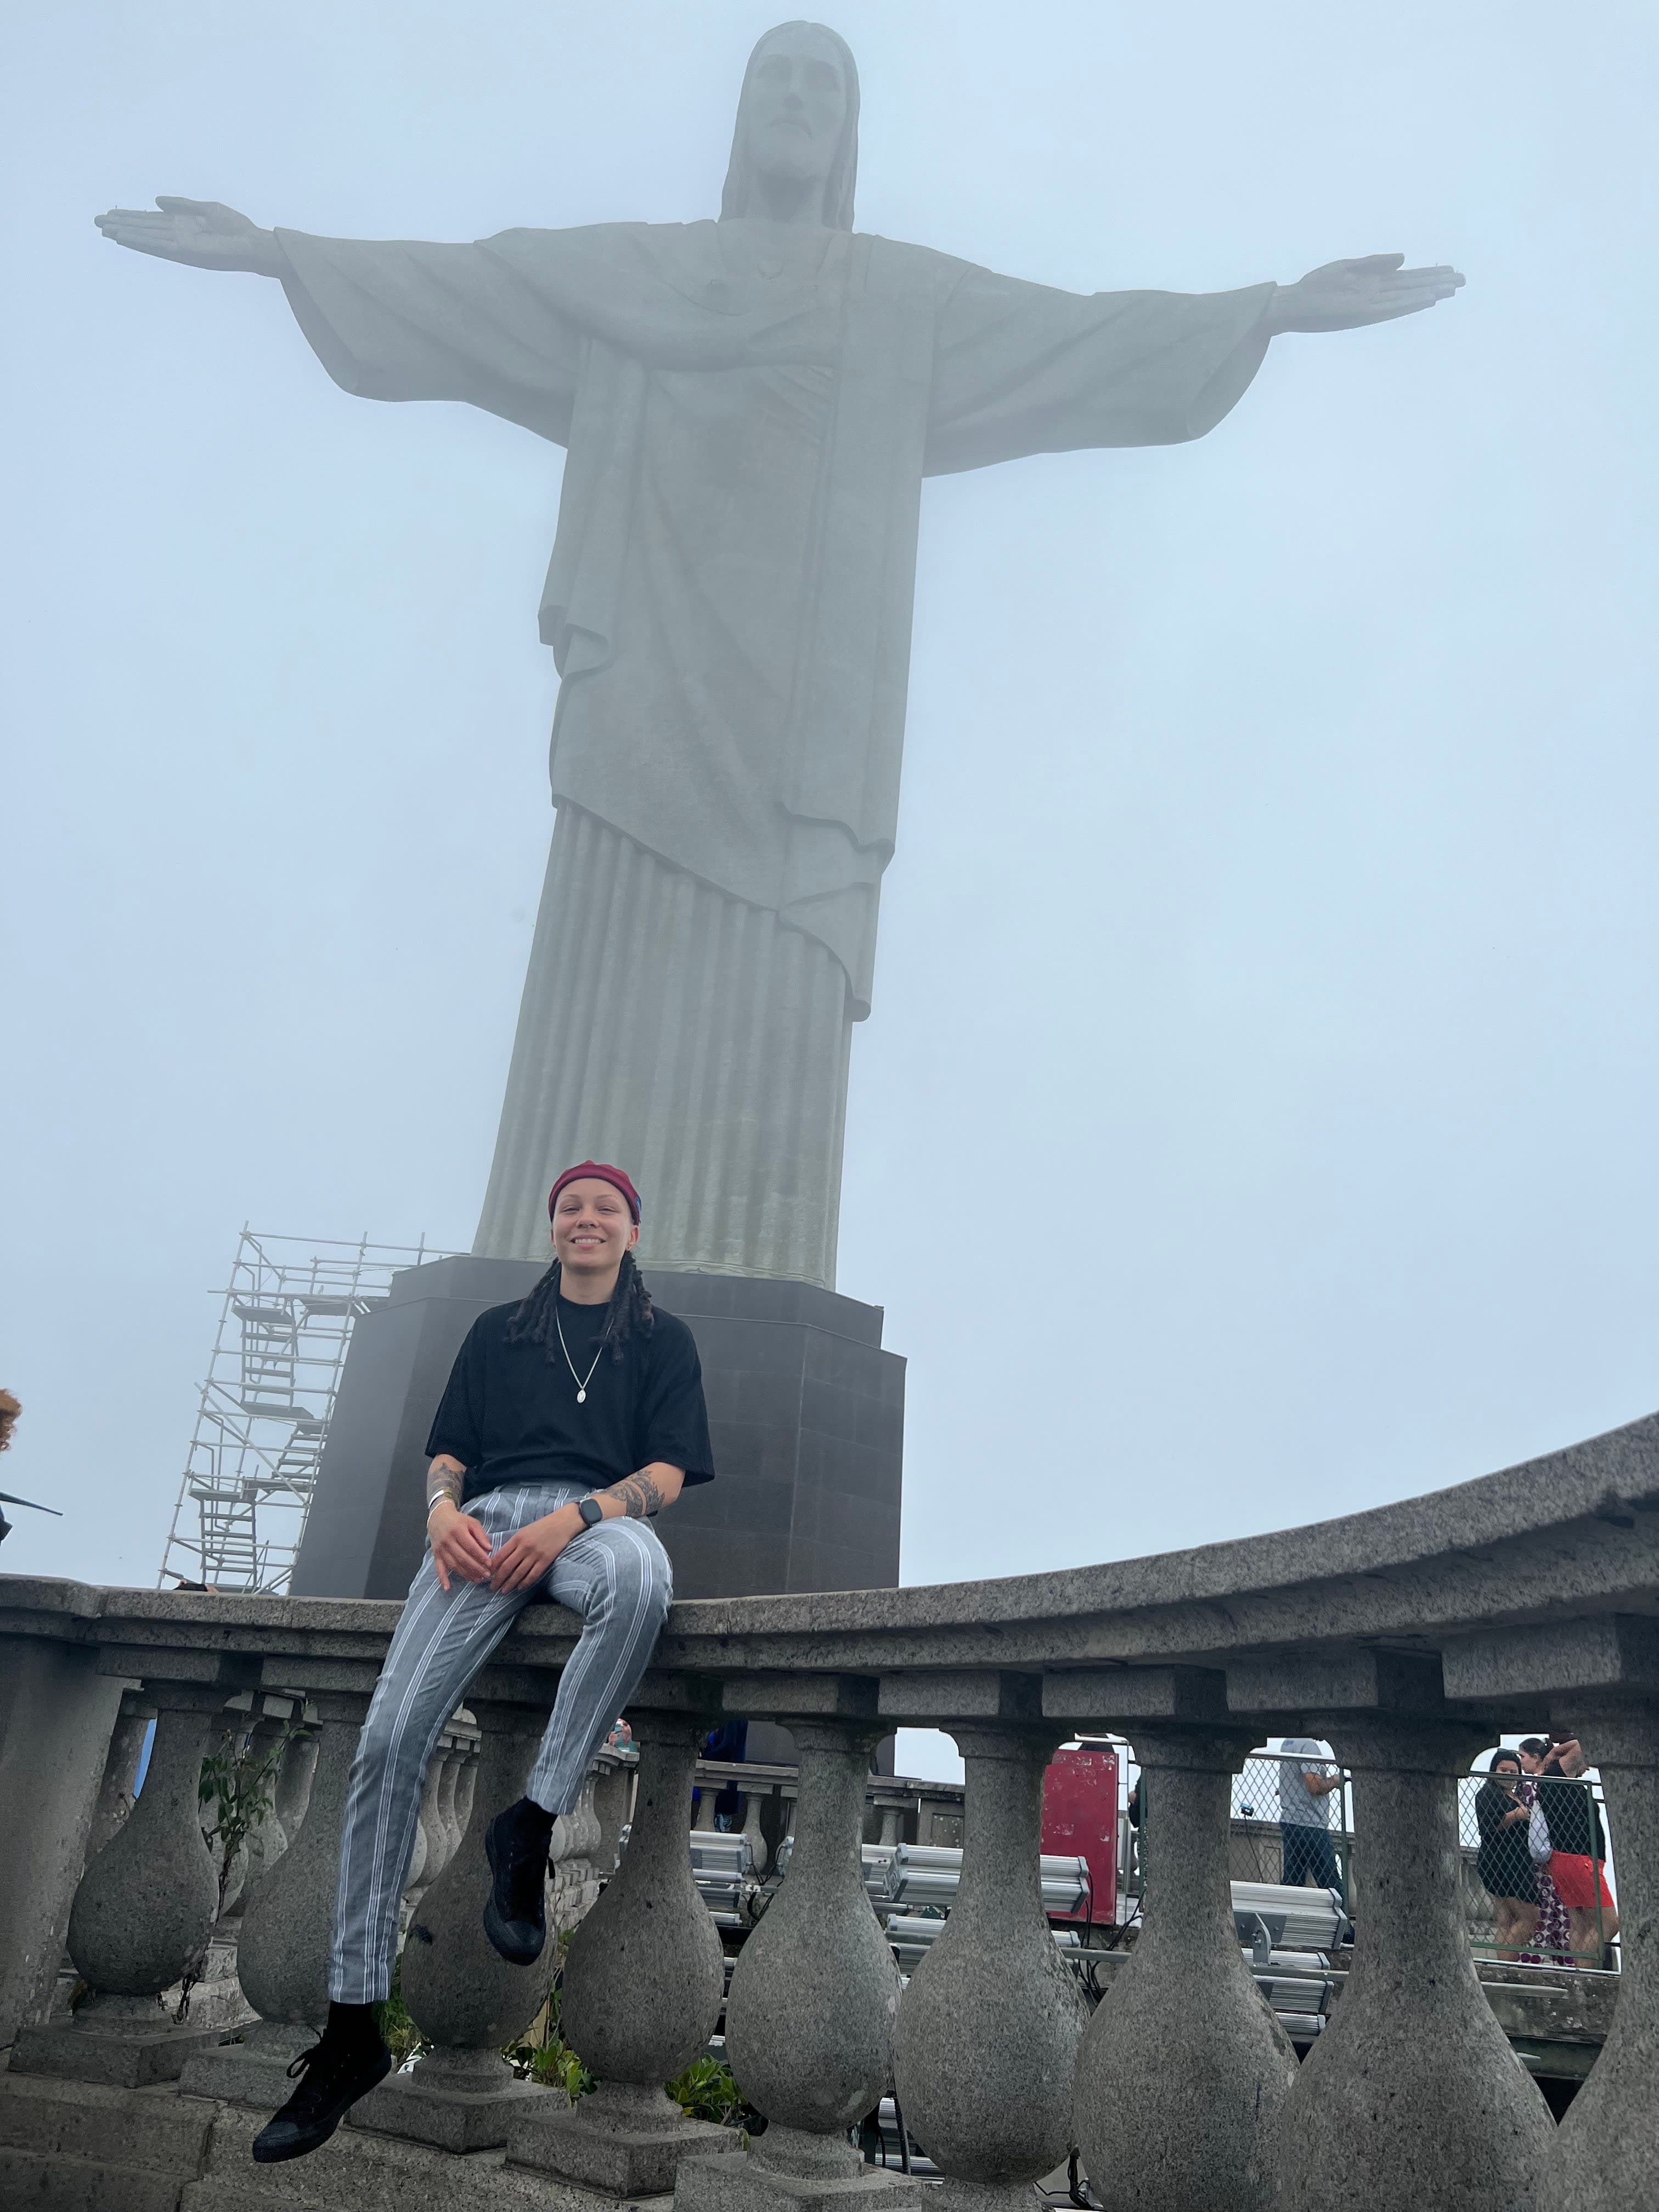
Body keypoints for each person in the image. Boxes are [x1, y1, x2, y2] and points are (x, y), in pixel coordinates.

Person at [251, 1163, 714, 2164]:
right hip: (483, 1529)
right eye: (570, 1208)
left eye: (605, 1209)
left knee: (643, 1579)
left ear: (632, 1232)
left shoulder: (661, 1339)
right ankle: (351, 2027)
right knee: (388, 1739)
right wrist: (439, 1513)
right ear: (552, 1228)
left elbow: (667, 1476)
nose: (586, 1219)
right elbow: (448, 1455)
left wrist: (574, 1517)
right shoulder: (500, 1331)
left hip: (590, 1524)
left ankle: (530, 1823)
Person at [1519, 1735, 1619, 1963]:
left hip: (1562, 1860)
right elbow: (1582, 1744)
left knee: (1581, 1924)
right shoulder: (1556, 1773)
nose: (1586, 1766)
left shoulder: (1550, 1781)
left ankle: (1579, 1973)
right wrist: (1555, 1753)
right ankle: (1585, 1971)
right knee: (1609, 1923)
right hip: (1580, 1860)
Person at [1473, 1751, 1538, 1960]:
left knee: (1507, 1920)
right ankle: (1507, 1965)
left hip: (1514, 1860)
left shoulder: (1513, 1795)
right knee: (1529, 1918)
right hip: (1504, 1862)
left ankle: (1504, 1964)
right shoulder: (1487, 1794)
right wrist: (1516, 1815)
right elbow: (1488, 1827)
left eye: (1513, 1772)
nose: (1509, 1775)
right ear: (1494, 1770)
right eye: (1504, 1770)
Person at [1276, 1739, 1346, 1901]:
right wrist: (1336, 1780)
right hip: (1311, 1824)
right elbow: (1314, 1786)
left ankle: (1289, 1914)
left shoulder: (1288, 1743)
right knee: (1331, 1885)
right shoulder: (1309, 1747)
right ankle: (1342, 1918)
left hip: (1290, 1821)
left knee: (1293, 1882)